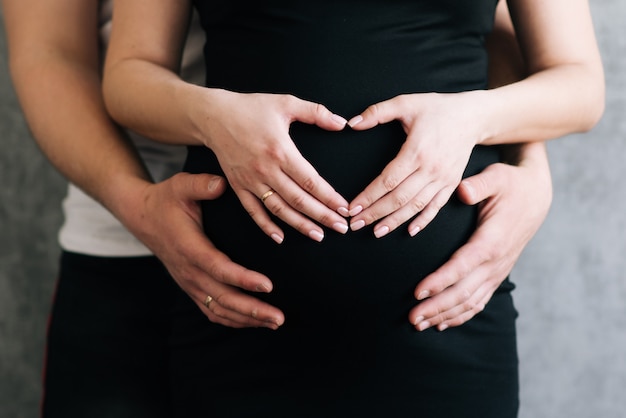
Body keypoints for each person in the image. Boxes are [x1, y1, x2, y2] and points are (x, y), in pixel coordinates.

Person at [2, 1, 554, 418]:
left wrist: (532, 172)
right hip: (132, 246)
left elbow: (485, 35)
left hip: (426, 313)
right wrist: (138, 203)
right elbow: (51, 53)